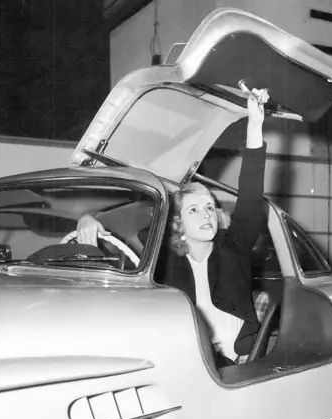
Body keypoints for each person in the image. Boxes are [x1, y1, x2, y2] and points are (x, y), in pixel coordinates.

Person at [77, 87, 270, 368]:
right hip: (188, 359)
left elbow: (251, 194)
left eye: (209, 207)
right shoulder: (165, 260)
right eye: (194, 209)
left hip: (233, 361)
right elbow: (117, 224)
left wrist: (254, 125)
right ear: (178, 222)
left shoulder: (234, 245)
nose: (206, 215)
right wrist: (87, 218)